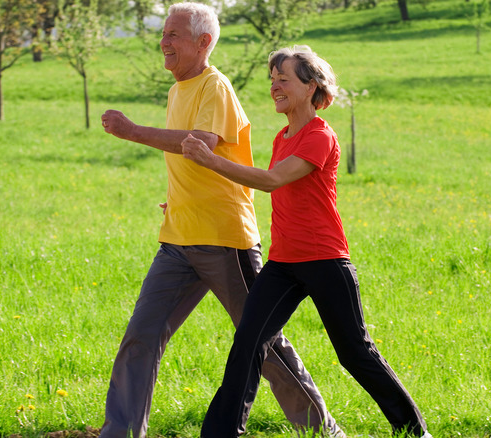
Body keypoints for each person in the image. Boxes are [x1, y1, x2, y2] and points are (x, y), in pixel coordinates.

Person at [98, 4, 343, 438]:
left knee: (263, 342)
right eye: (164, 33)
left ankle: (322, 429)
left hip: (224, 240)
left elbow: (201, 144)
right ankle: (119, 433)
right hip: (177, 238)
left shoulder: (216, 86)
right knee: (142, 336)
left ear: (203, 42)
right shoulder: (178, 91)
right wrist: (179, 200)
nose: (164, 42)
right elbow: (193, 165)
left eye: (174, 35)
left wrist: (133, 131)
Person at [181, 46, 432, 438]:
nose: (274, 86)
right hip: (283, 264)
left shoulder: (320, 136)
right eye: (272, 79)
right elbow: (267, 186)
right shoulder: (283, 136)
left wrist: (210, 159)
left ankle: (415, 431)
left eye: (284, 78)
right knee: (248, 344)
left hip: (324, 260)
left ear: (311, 86)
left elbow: (272, 181)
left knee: (355, 354)